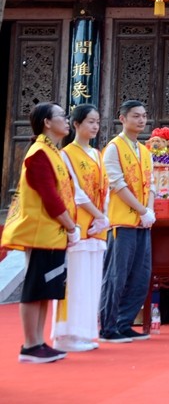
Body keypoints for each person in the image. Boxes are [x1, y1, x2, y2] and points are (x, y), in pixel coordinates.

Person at [1, 102, 79, 363]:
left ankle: (38, 342)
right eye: (61, 116)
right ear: (47, 122)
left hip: (52, 232)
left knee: (46, 289)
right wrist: (71, 226)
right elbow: (50, 197)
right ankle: (30, 345)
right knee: (35, 289)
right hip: (40, 232)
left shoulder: (52, 151)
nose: (66, 120)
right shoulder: (38, 153)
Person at [51, 104, 111, 352]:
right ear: (76, 124)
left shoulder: (97, 154)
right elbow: (74, 191)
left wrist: (104, 216)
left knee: (91, 281)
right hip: (79, 225)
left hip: (97, 227)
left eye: (97, 122)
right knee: (74, 281)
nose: (95, 126)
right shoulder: (66, 154)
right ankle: (65, 335)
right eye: (90, 122)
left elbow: (105, 188)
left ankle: (84, 333)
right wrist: (98, 215)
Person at [99, 99, 155, 343]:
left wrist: (149, 211)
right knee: (116, 276)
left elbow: (151, 184)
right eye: (135, 116)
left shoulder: (144, 151)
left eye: (143, 116)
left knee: (141, 276)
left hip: (142, 223)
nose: (141, 120)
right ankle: (108, 327)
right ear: (122, 119)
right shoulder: (113, 148)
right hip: (121, 223)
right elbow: (117, 185)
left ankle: (125, 323)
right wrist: (142, 210)